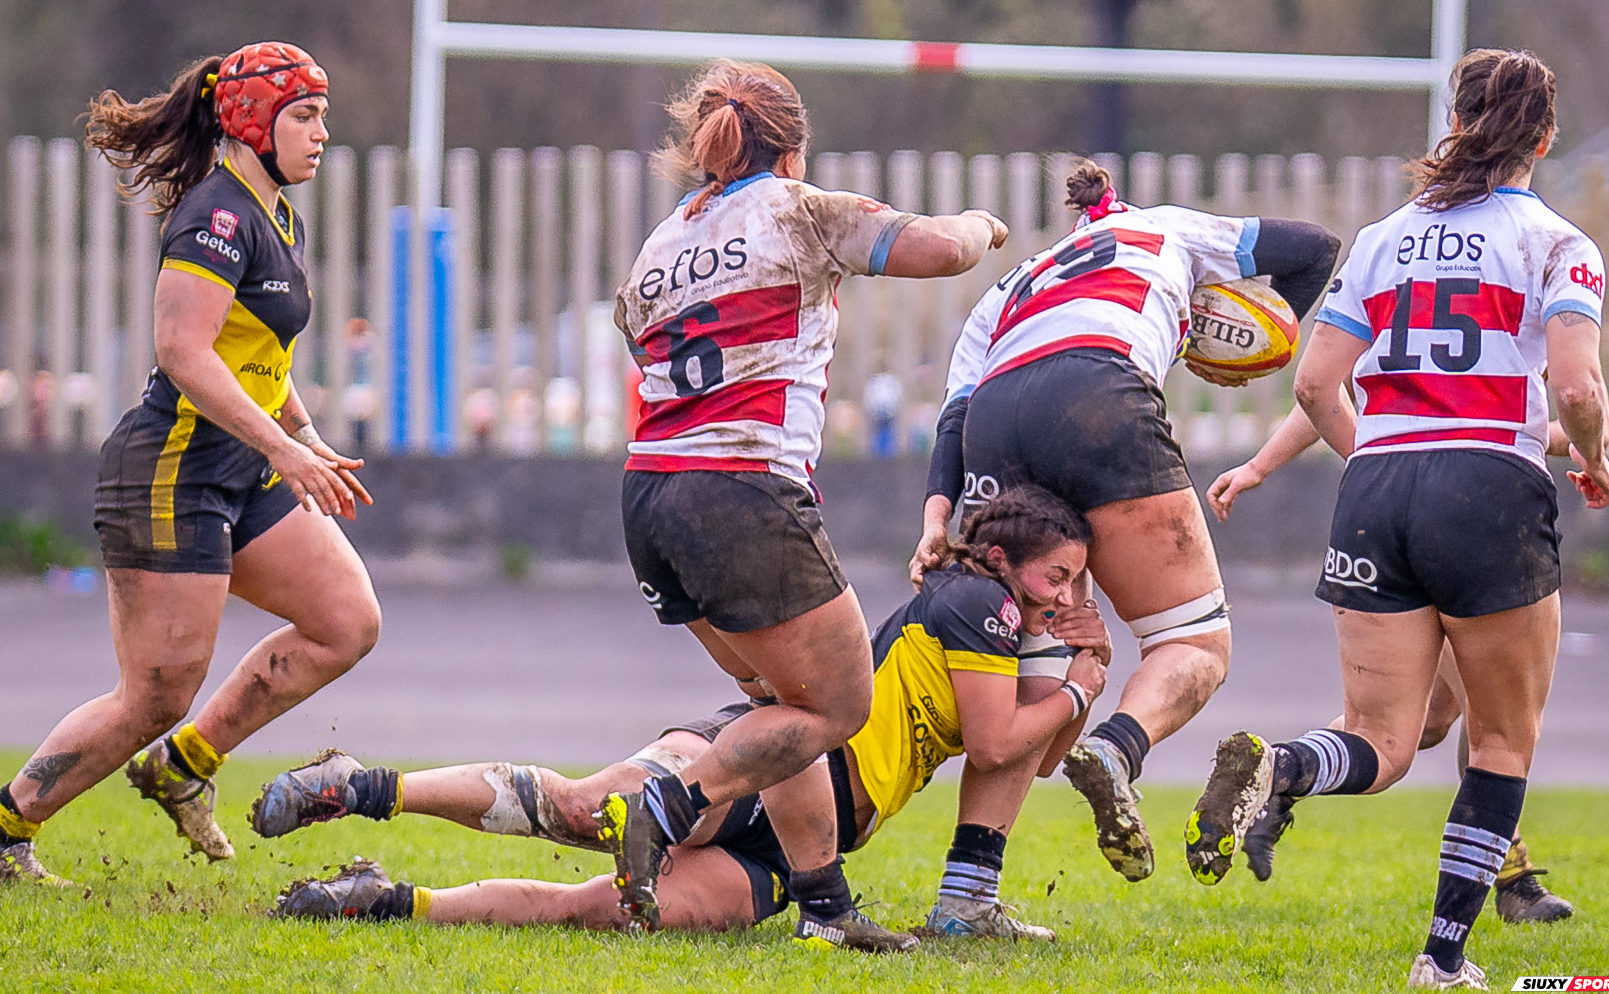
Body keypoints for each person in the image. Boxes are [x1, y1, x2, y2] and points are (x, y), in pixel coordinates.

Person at [1185, 49, 1609, 990]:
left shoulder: (1382, 236)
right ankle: (1442, 959)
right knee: (1500, 741)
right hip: (1490, 485)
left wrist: (1384, 457)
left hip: (1375, 487)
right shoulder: (1556, 242)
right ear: (1543, 138)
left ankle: (1286, 765)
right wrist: (1593, 451)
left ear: (1454, 120)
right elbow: (1577, 385)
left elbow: (1313, 381)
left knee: (1383, 739)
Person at [256, 487, 1108, 946]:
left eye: (1078, 582)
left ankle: (384, 899)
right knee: (584, 811)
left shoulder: (1003, 625)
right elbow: (1003, 738)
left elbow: (1025, 760)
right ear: (1002, 560)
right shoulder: (977, 603)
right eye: (1057, 577)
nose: (1066, 596)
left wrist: (1085, 670)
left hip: (811, 838)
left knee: (613, 910)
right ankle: (364, 786)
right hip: (770, 761)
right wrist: (1074, 688)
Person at [601, 60, 1011, 942]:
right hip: (743, 489)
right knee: (838, 707)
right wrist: (984, 225)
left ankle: (825, 907)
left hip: (649, 496)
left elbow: (637, 342)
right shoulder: (797, 210)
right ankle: (672, 802)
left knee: (773, 699)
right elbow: (936, 249)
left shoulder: (661, 244)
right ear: (791, 149)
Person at [0, 43, 381, 882]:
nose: (323, 132)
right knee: (153, 694)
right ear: (254, 123)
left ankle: (183, 765)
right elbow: (183, 351)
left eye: (322, 114)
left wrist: (307, 432)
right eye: (305, 115)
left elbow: (254, 351)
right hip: (171, 471)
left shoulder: (277, 213)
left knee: (347, 620)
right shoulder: (216, 216)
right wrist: (284, 449)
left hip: (239, 464)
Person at [913, 157, 1340, 883]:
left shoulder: (1017, 281)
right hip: (1100, 389)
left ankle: (969, 887)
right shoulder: (1164, 226)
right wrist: (1272, 339)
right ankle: (1117, 748)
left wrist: (935, 518)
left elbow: (956, 412)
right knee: (1193, 640)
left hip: (996, 413)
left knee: (1033, 669)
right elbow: (1314, 249)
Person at [1207, 405, 1575, 923]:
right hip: (1465, 511)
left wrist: (1264, 465)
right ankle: (1510, 880)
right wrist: (1588, 439)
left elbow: (1321, 381)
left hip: (1383, 506)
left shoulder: (1393, 326)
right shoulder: (1509, 322)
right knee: (1493, 720)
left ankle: (1279, 777)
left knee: (1426, 720)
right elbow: (1321, 384)